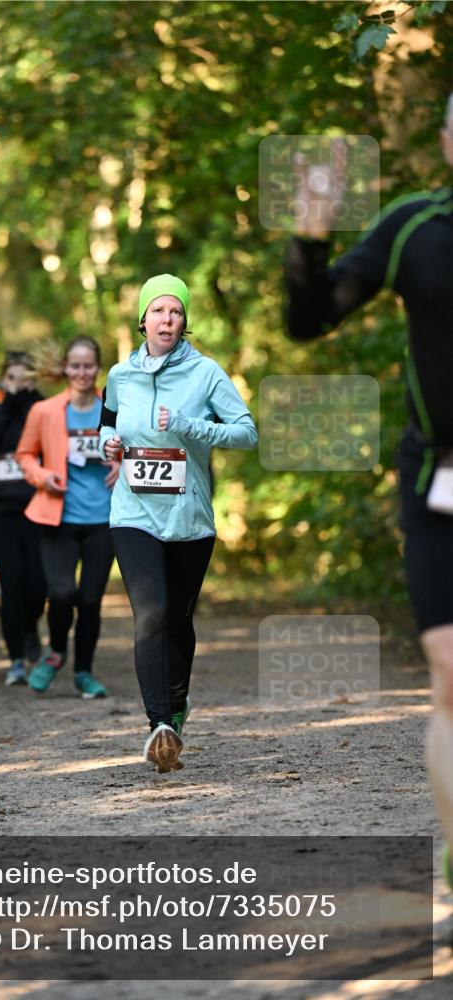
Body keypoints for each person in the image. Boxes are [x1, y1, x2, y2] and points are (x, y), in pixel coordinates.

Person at [284, 100, 453, 881]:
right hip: (437, 477)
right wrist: (310, 237)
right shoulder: (413, 228)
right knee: (449, 667)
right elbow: (308, 320)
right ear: (446, 141)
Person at [100, 275, 258, 772]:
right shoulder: (119, 374)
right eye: (159, 311)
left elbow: (247, 433)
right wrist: (108, 445)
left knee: (178, 621)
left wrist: (191, 426)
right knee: (151, 613)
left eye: (176, 312)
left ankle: (177, 702)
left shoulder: (206, 373)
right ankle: (158, 726)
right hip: (132, 514)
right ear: (142, 319)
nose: (167, 319)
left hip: (188, 517)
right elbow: (107, 421)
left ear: (184, 321)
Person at [16, 336, 120, 698]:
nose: (81, 372)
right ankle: (56, 652)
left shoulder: (114, 408)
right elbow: (25, 455)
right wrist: (43, 476)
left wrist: (123, 465)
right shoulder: (45, 411)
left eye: (88, 365)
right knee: (61, 593)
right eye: (75, 366)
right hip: (57, 518)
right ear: (64, 368)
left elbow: (135, 445)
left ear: (98, 368)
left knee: (90, 600)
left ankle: (84, 673)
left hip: (103, 519)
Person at [0, 352, 45, 685]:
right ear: (4, 381)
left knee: (37, 587)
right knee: (11, 584)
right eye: (13, 378)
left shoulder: (46, 410)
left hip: (39, 514)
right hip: (2, 515)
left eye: (27, 378)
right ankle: (16, 659)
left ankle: (32, 626)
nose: (21, 385)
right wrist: (9, 402)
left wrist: (30, 401)